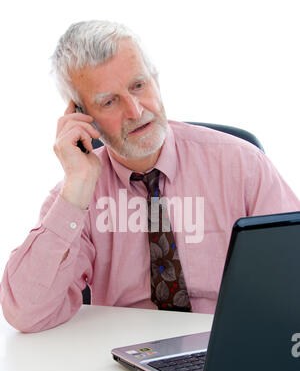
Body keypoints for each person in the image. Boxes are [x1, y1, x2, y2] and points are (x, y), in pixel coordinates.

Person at [1, 20, 300, 333]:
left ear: (155, 79)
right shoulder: (77, 196)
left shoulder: (242, 165)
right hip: (123, 357)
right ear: (82, 116)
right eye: (109, 101)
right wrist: (75, 191)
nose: (134, 110)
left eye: (138, 85)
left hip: (231, 344)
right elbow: (26, 313)